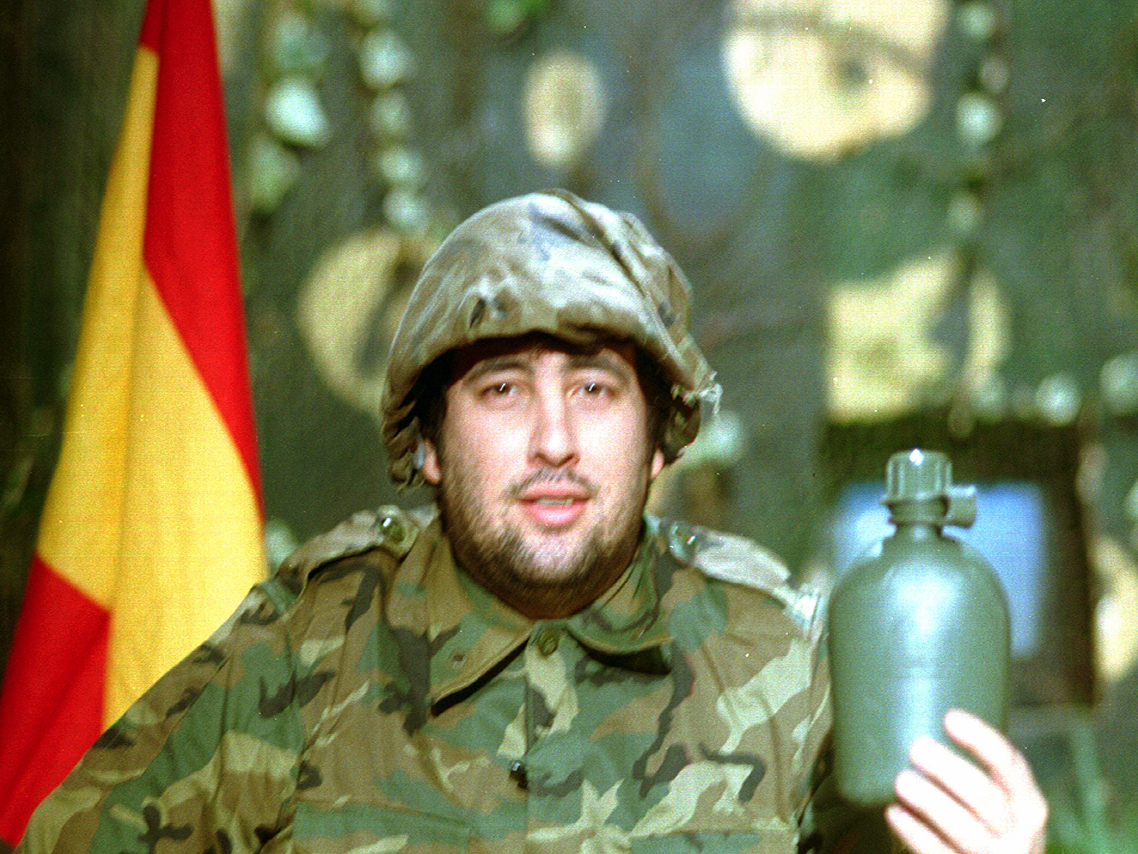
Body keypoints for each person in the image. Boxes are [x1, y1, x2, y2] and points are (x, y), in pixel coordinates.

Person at [17, 191, 1048, 854]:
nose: (554, 439)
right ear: (428, 442)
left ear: (659, 441)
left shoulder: (784, 656)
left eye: (595, 389)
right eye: (503, 389)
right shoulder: (307, 649)